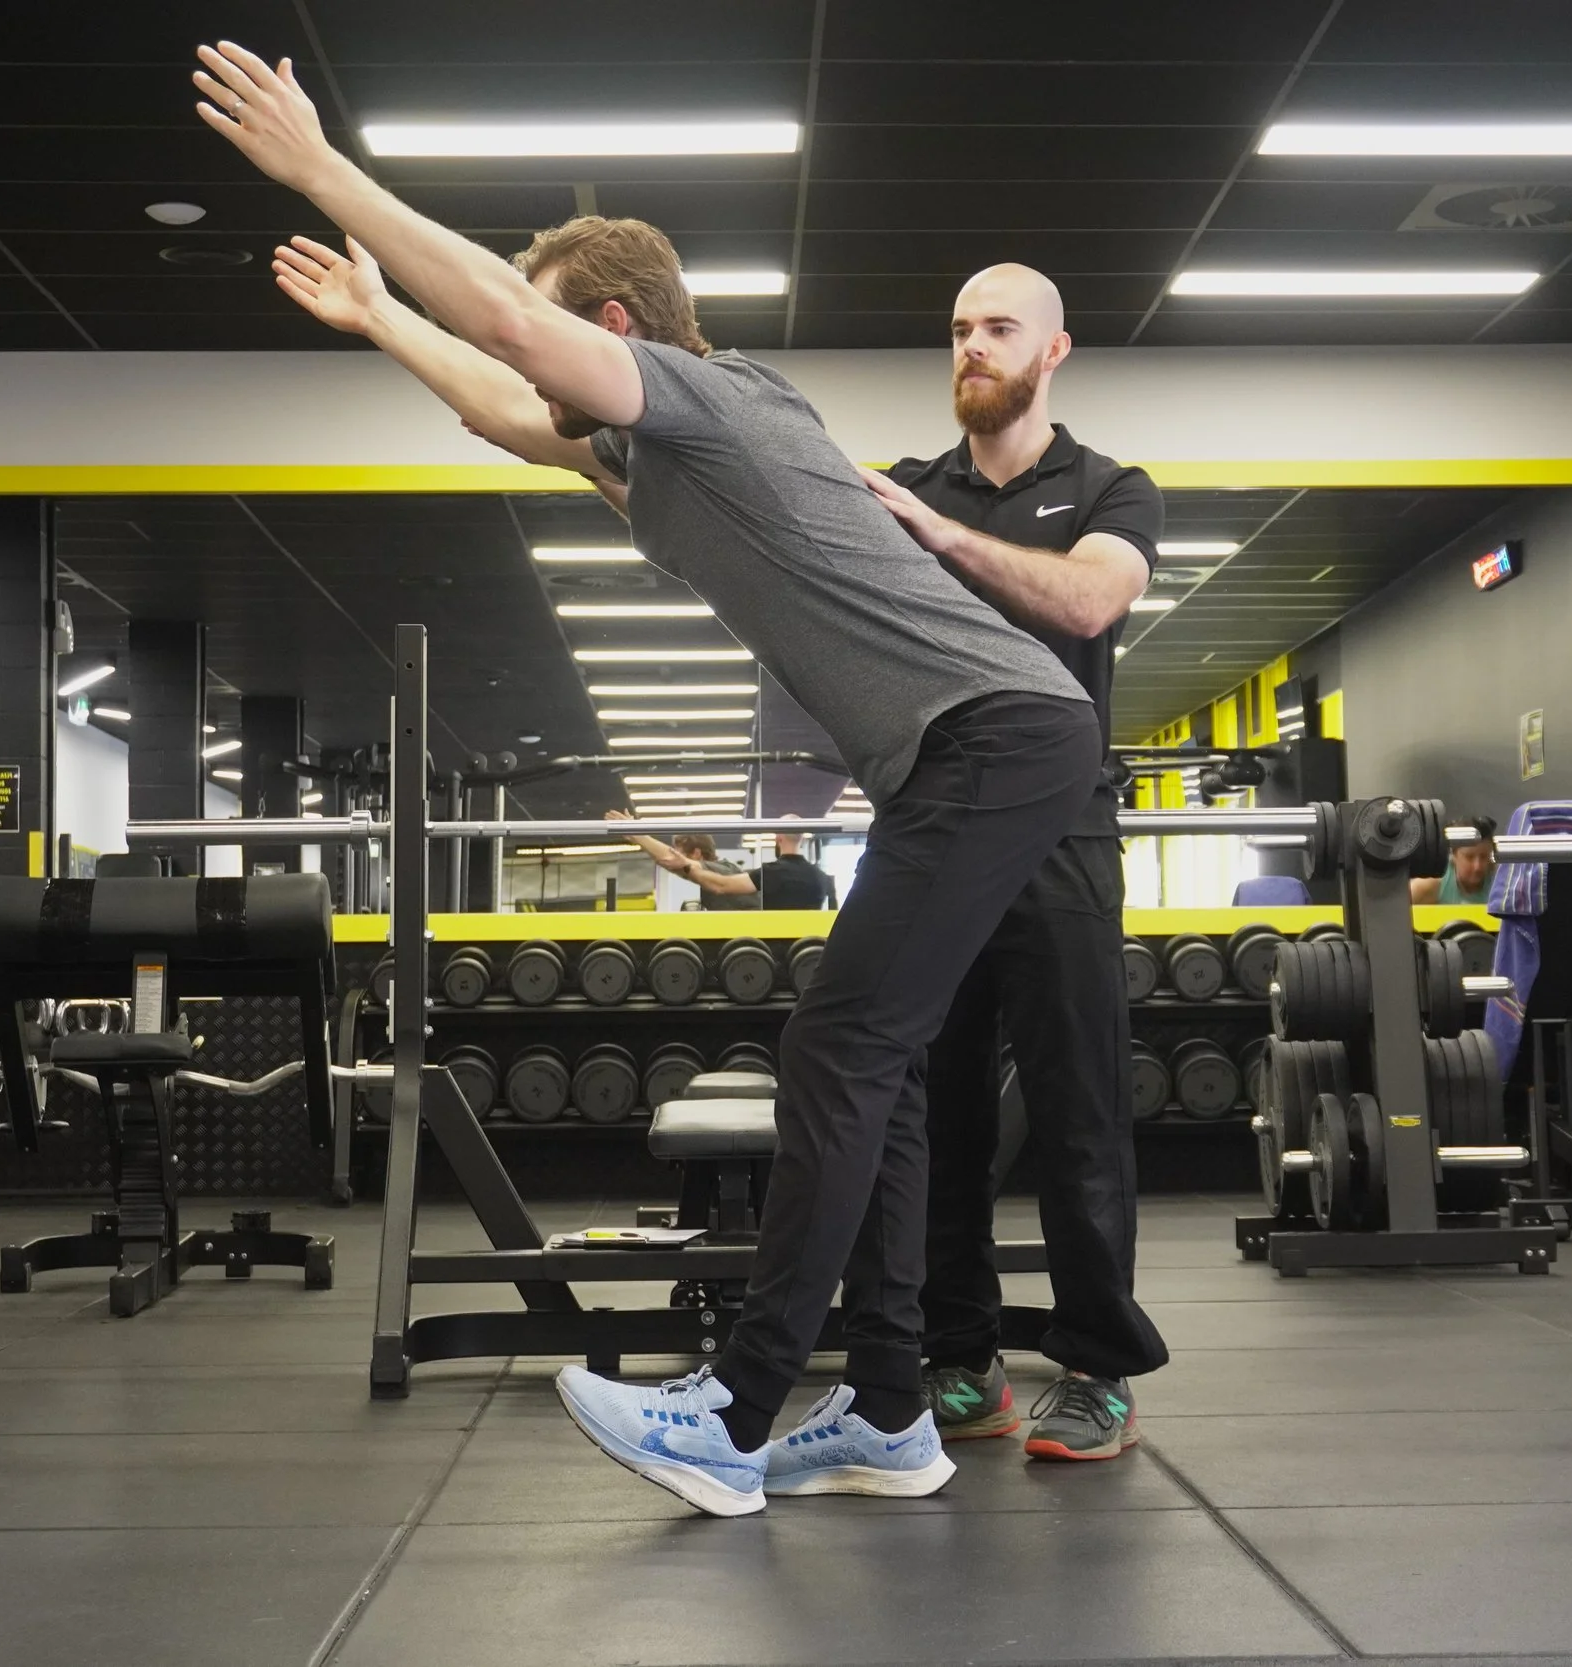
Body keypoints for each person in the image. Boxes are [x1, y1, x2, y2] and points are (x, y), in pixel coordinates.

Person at [194, 43, 1101, 1516]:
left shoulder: (704, 397)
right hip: (973, 745)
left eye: (562, 340)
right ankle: (887, 1405)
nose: (537, 365)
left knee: (838, 1051)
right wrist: (371, 315)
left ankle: (737, 1412)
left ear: (617, 331)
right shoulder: (669, 455)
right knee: (884, 1069)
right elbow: (505, 402)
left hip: (996, 732)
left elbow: (508, 326)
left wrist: (320, 170)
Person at [861, 264, 1169, 1461]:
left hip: (1058, 829)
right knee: (926, 1110)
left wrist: (933, 534)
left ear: (1054, 352)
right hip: (929, 824)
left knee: (1078, 1102)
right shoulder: (903, 484)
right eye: (956, 330)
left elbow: (1090, 605)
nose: (971, 347)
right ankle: (959, 1357)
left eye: (998, 329)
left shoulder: (1106, 488)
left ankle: (1095, 1365)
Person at [606, 812, 757, 909]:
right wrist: (636, 838)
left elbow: (670, 860)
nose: (673, 858)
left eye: (679, 853)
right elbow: (669, 862)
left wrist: (637, 835)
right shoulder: (710, 873)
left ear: (696, 853)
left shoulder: (723, 870)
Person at [1410, 816, 1497, 905]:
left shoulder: (1502, 886)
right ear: (1453, 855)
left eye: (1484, 857)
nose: (1477, 867)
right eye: (1469, 857)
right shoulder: (1429, 886)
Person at [756, 819, 836, 911]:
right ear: (802, 838)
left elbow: (736, 885)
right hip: (812, 925)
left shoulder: (766, 873)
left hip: (774, 925)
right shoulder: (823, 877)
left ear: (778, 838)